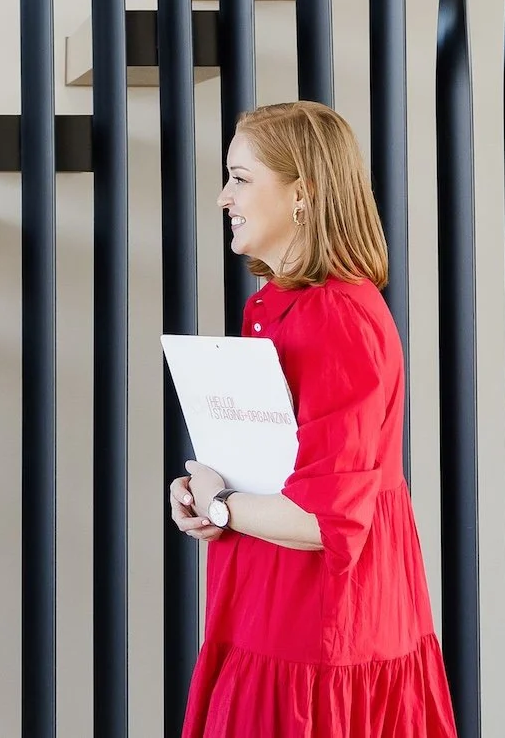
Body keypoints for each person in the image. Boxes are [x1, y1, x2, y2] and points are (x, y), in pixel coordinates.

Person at [168, 100, 456, 738]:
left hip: (321, 626)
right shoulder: (280, 306)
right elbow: (285, 471)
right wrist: (207, 496)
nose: (223, 197)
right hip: (279, 610)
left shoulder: (336, 319)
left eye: (241, 178)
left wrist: (221, 506)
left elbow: (325, 519)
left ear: (303, 193)